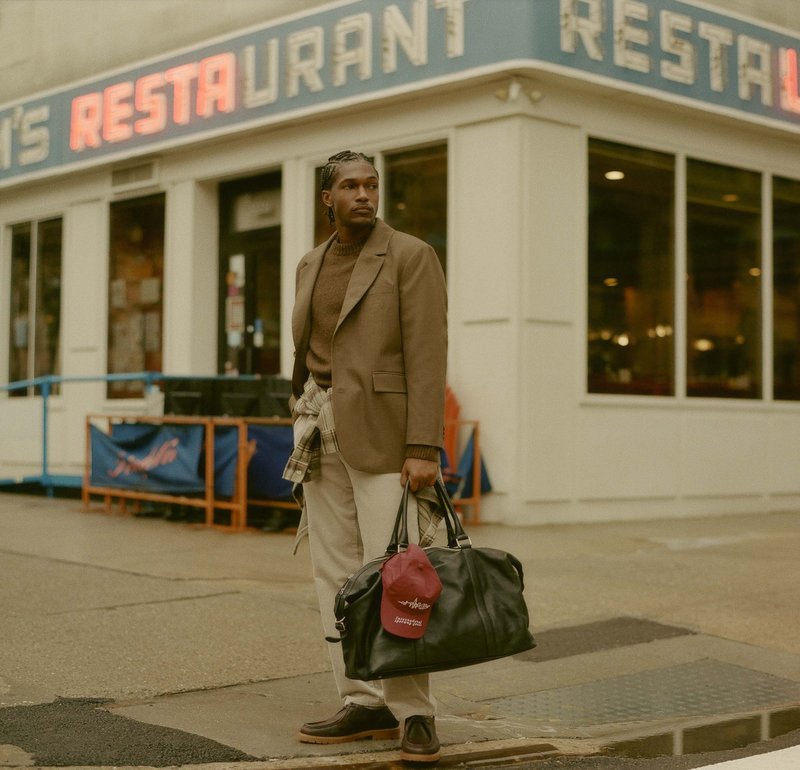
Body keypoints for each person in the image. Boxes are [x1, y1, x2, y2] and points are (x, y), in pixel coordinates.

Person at [283, 150, 447, 764]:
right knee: (333, 572)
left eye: (371, 185)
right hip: (320, 433)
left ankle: (414, 712)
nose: (363, 195)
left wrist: (423, 445)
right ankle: (360, 697)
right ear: (327, 197)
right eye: (350, 186)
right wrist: (299, 410)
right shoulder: (309, 262)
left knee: (396, 573)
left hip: (385, 437)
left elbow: (428, 354)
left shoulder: (409, 255)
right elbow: (307, 347)